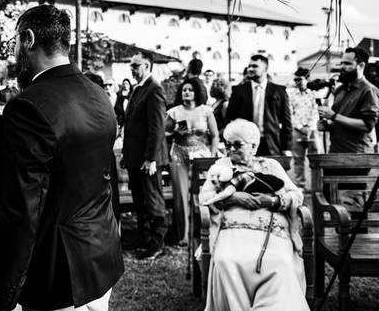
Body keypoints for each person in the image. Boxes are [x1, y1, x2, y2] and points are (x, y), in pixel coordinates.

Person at [0, 4, 124, 311]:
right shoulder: (98, 95)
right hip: (99, 255)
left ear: (28, 39)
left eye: (15, 42)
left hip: (56, 271)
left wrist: (3, 295)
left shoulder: (28, 106)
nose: (14, 52)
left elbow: (23, 208)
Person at [199, 119, 315, 311]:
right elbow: (205, 197)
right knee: (226, 259)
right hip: (233, 225)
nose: (231, 149)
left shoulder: (270, 165)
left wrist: (272, 200)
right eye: (228, 144)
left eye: (237, 144)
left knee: (279, 261)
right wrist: (234, 198)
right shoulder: (221, 166)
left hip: (270, 224)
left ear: (253, 145)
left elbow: (296, 195)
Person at [122, 51, 169, 260]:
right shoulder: (138, 88)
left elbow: (157, 128)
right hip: (135, 157)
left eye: (136, 65)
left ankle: (157, 244)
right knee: (140, 202)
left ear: (147, 66)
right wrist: (126, 155)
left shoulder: (154, 89)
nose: (132, 69)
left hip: (147, 159)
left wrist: (151, 158)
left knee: (153, 201)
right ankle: (144, 239)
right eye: (131, 65)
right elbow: (132, 125)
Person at [165, 77, 219, 245]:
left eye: (190, 90)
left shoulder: (206, 111)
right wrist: (174, 132)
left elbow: (215, 135)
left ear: (197, 92)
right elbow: (163, 133)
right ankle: (184, 235)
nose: (186, 92)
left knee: (203, 192)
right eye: (184, 90)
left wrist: (212, 155)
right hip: (179, 154)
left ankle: (204, 229)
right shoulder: (174, 112)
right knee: (181, 195)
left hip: (201, 155)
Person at [226, 55, 292, 156]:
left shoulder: (279, 91)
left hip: (271, 144)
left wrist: (286, 148)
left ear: (265, 68)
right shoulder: (238, 90)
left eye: (255, 66)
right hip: (245, 145)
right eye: (249, 66)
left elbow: (286, 122)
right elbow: (229, 118)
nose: (250, 69)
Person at [318, 47, 379, 153]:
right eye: (341, 63)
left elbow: (367, 125)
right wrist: (328, 126)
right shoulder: (340, 90)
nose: (342, 67)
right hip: (336, 152)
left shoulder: (369, 91)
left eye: (347, 64)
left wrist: (333, 116)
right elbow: (340, 121)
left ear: (361, 66)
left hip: (356, 155)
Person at [288, 68, 320, 187]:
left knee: (316, 159)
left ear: (307, 79)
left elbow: (316, 111)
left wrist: (309, 127)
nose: (297, 82)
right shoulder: (291, 95)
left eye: (299, 80)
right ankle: (300, 185)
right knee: (298, 159)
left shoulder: (314, 94)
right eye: (295, 80)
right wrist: (300, 127)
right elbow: (290, 113)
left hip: (312, 130)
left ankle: (317, 187)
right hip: (297, 130)